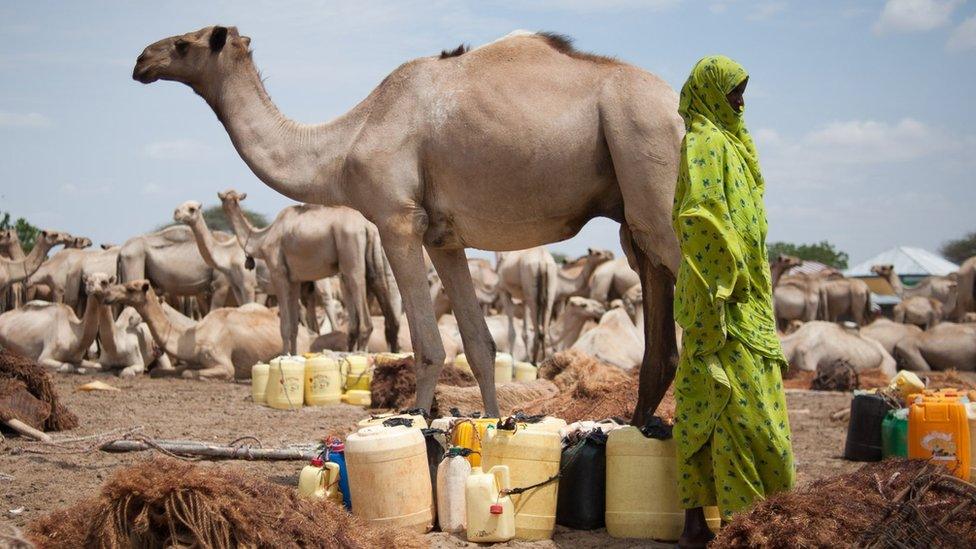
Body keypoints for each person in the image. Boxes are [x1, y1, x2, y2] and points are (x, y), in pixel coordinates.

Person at [671, 55, 795, 548]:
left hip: (749, 304)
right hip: (720, 304)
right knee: (731, 410)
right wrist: (728, 278)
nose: (741, 102)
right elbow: (698, 214)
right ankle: (731, 522)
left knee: (737, 406)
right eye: (732, 92)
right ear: (710, 95)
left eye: (742, 91)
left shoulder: (734, 146)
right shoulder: (702, 141)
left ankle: (721, 521)